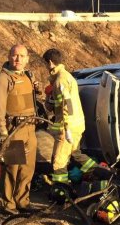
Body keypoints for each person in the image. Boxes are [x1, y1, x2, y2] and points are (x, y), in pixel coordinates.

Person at [42, 48, 98, 198]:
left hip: (68, 127)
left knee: (59, 162)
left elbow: (68, 105)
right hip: (76, 125)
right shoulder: (66, 77)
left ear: (50, 62)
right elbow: (59, 104)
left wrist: (66, 128)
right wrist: (49, 98)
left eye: (46, 64)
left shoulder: (61, 80)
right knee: (75, 154)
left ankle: (62, 192)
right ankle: (101, 172)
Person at [0, 44, 38, 215]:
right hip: (13, 129)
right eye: (15, 55)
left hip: (30, 127)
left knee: (27, 168)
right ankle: (8, 204)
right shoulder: (3, 79)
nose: (18, 59)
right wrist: (1, 131)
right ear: (9, 56)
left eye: (22, 56)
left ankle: (23, 201)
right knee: (12, 168)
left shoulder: (28, 76)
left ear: (27, 59)